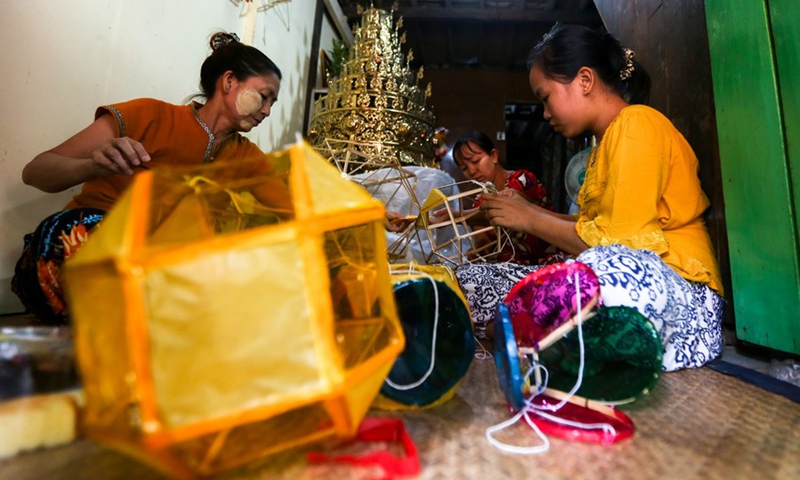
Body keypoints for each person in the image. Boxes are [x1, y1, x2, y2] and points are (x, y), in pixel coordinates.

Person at [455, 23, 724, 371]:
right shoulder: (603, 145)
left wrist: (530, 218)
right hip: (610, 274)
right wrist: (524, 209)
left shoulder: (638, 124)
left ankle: (526, 328)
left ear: (584, 80)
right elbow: (591, 228)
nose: (545, 113)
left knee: (599, 273)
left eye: (545, 97)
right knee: (469, 281)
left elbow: (618, 247)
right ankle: (533, 330)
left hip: (678, 294)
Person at [12, 32, 284, 325]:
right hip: (91, 249)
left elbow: (294, 206)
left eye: (273, 102)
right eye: (263, 96)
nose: (267, 111)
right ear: (229, 81)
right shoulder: (150, 115)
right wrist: (92, 166)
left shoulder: (247, 158)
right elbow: (35, 171)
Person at [450, 131, 553, 265]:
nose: (472, 171)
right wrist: (480, 249)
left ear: (494, 156)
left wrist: (457, 216)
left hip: (545, 263)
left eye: (476, 161)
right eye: (464, 168)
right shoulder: (478, 202)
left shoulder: (523, 180)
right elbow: (483, 240)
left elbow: (504, 207)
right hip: (510, 267)